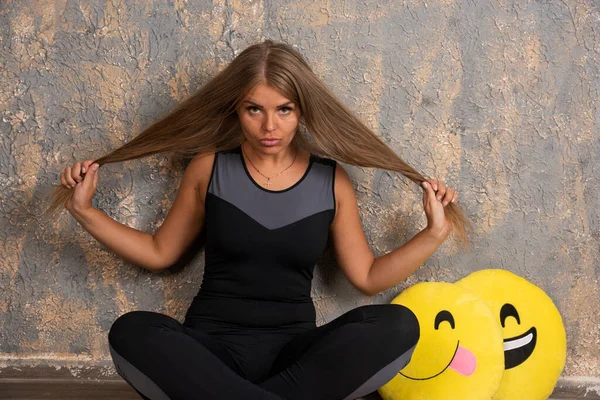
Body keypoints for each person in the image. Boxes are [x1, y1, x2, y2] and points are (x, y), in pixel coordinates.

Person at [51, 40, 468, 400]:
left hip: (295, 359)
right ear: (237, 108)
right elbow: (160, 252)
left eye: (284, 110)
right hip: (210, 354)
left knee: (396, 325)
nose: (270, 126)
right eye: (255, 109)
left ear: (302, 110)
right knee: (132, 330)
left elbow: (368, 275)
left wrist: (434, 232)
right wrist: (85, 211)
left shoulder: (331, 181)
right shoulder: (209, 168)